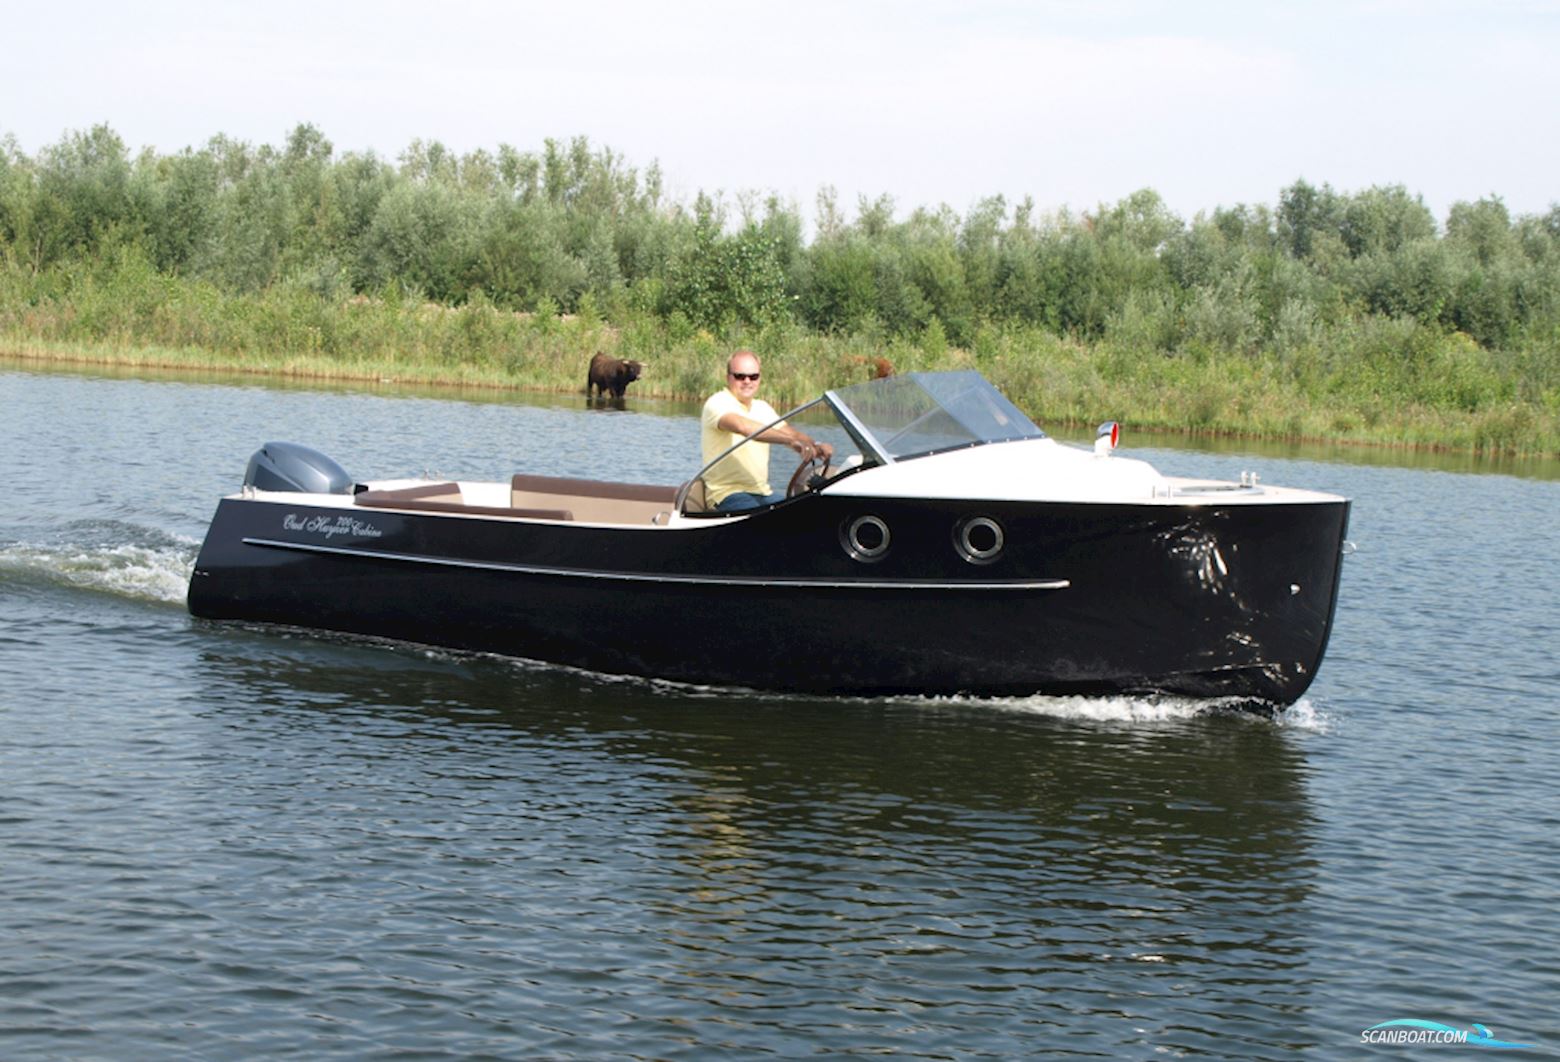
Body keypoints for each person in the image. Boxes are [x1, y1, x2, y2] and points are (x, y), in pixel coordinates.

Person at [700, 351, 833, 512]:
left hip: (763, 493)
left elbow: (790, 433)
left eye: (753, 376)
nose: (747, 381)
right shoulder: (718, 402)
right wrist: (790, 441)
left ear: (759, 378)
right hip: (727, 495)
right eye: (740, 376)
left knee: (806, 511)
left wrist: (814, 445)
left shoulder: (762, 407)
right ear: (728, 377)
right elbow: (745, 428)